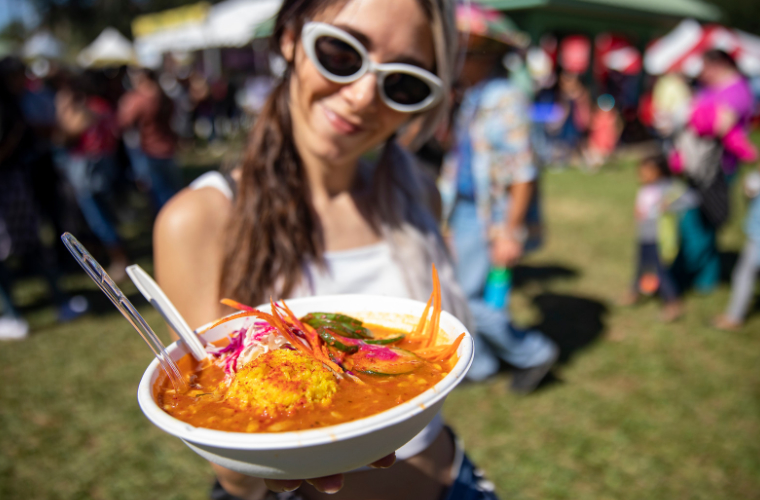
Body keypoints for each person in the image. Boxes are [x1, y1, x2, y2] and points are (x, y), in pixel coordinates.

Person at [154, 0, 499, 499]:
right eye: (342, 52)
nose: (362, 97)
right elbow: (227, 465)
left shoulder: (417, 193)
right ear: (292, 37)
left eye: (403, 82)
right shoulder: (200, 220)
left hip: (454, 484)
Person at [438, 3, 558, 393]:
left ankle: (533, 353)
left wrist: (509, 231)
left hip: (493, 216)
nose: (456, 60)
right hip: (466, 209)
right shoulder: (473, 97)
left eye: (464, 53)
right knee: (457, 292)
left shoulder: (506, 98)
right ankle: (481, 364)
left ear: (486, 57)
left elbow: (523, 174)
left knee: (473, 300)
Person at [56, 72, 130, 282]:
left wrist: (63, 107)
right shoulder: (104, 106)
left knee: (98, 218)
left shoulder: (87, 110)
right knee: (104, 214)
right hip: (103, 167)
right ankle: (115, 258)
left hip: (89, 170)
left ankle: (118, 260)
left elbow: (64, 132)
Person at [620, 155, 697, 321]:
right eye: (640, 172)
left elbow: (692, 199)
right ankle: (634, 293)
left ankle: (672, 302)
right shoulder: (645, 187)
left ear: (660, 172)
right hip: (643, 236)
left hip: (660, 239)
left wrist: (671, 205)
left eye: (647, 172)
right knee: (640, 267)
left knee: (661, 271)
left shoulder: (668, 187)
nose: (642, 175)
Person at [119, 68, 181, 209]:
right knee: (174, 193)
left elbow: (124, 122)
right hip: (167, 148)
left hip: (151, 150)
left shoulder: (140, 99)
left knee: (160, 196)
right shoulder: (163, 96)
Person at [713, 169, 760, 330]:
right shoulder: (756, 178)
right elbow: (749, 191)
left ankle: (734, 317)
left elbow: (749, 191)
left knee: (743, 275)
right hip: (755, 236)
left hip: (757, 239)